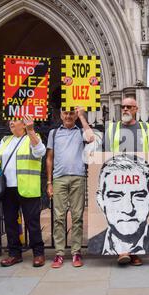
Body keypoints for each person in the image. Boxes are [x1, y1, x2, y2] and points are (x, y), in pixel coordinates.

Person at [0, 115, 46, 268]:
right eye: (10, 120)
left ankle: (38, 253)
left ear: (24, 124)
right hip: (8, 189)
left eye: (15, 120)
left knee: (32, 222)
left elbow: (40, 152)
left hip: (28, 187)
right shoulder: (6, 140)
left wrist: (31, 131)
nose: (11, 122)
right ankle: (14, 254)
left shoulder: (33, 137)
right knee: (10, 222)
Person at [104, 97, 149, 266]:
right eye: (123, 107)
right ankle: (123, 252)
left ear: (136, 109)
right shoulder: (112, 129)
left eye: (129, 107)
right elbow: (104, 153)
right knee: (121, 213)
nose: (125, 109)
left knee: (136, 213)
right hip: (118, 178)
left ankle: (135, 252)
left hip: (139, 178)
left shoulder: (145, 128)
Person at [89, 154, 149, 256]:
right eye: (115, 196)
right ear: (100, 200)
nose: (128, 209)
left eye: (138, 196)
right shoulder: (93, 244)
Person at [46, 107, 95, 268]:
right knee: (58, 217)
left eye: (71, 113)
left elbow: (91, 138)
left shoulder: (80, 132)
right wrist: (49, 182)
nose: (68, 116)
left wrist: (81, 116)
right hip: (59, 178)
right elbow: (49, 158)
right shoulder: (53, 133)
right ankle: (59, 253)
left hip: (78, 177)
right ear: (60, 115)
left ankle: (76, 252)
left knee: (77, 217)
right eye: (65, 113)